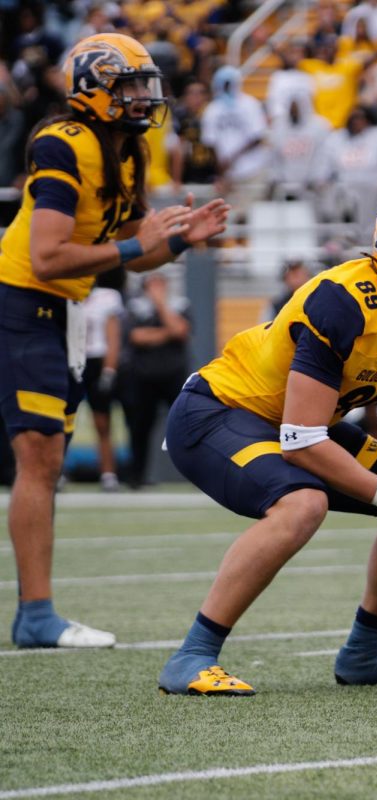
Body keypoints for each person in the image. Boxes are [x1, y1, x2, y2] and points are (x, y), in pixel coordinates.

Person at [157, 191, 377, 695]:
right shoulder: (343, 302)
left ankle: (363, 652)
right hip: (221, 412)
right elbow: (303, 441)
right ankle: (192, 654)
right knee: (302, 504)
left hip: (301, 423)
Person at [0, 33, 229, 649]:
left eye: (144, 84)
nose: (142, 97)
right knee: (40, 457)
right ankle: (36, 613)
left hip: (63, 308)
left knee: (46, 457)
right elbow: (48, 256)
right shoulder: (61, 143)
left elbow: (131, 255)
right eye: (128, 85)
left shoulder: (129, 151)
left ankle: (35, 612)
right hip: (23, 301)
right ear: (93, 88)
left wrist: (180, 239)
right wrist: (138, 242)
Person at [120, 271, 192, 489]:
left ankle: (197, 473)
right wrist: (166, 332)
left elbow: (180, 331)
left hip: (174, 374)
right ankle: (137, 476)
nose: (157, 286)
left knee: (185, 425)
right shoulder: (135, 307)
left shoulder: (180, 304)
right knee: (139, 427)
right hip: (142, 376)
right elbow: (135, 337)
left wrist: (160, 304)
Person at [81, 266, 125, 492]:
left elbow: (112, 336)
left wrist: (109, 370)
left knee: (102, 422)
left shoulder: (107, 297)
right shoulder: (64, 294)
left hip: (97, 361)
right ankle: (56, 473)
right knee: (59, 423)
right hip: (72, 359)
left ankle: (108, 474)